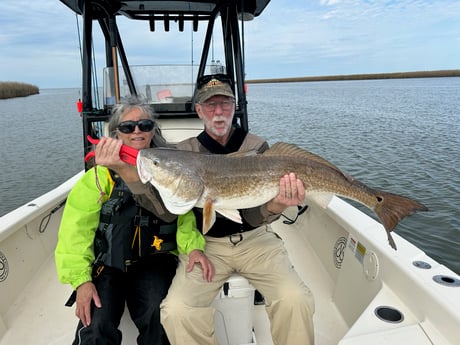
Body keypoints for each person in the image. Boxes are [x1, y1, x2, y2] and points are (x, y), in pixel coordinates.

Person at [159, 74, 315, 345]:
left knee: (295, 299)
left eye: (225, 103)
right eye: (210, 105)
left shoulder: (256, 147)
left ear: (234, 107)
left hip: (256, 240)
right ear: (199, 110)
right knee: (176, 311)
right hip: (207, 246)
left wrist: (278, 204)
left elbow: (253, 216)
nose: (218, 112)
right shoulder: (185, 152)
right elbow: (169, 210)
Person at [55, 97, 177, 345]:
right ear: (116, 133)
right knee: (96, 324)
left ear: (153, 129)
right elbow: (75, 232)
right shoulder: (98, 176)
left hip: (154, 261)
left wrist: (193, 247)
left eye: (144, 124)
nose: (137, 131)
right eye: (127, 127)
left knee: (159, 315)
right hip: (108, 265)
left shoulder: (168, 169)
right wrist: (81, 281)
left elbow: (183, 218)